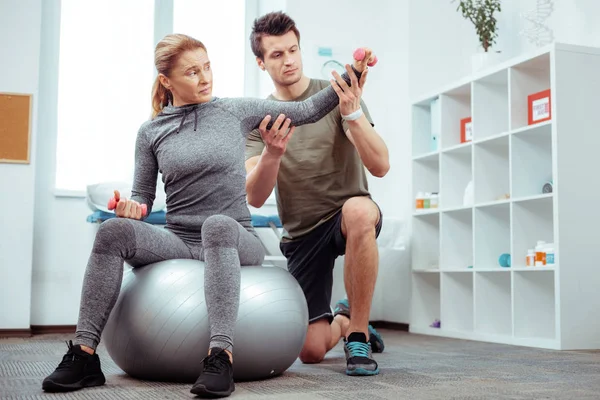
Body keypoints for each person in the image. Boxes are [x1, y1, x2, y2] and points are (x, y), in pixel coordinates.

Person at [41, 33, 374, 397]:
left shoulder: (234, 111)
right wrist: (130, 209)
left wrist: (353, 73)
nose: (205, 78)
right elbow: (142, 198)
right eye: (192, 72)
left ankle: (220, 357)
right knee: (112, 232)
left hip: (235, 236)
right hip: (180, 239)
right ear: (167, 81)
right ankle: (85, 356)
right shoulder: (151, 131)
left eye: (207, 67)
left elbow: (307, 110)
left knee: (217, 225)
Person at [245, 11, 390, 377]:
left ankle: (357, 333)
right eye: (277, 54)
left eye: (292, 50)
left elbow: (381, 166)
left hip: (345, 214)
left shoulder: (339, 96)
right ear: (261, 63)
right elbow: (255, 197)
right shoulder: (257, 120)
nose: (289, 59)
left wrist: (353, 114)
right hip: (303, 234)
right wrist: (272, 153)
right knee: (310, 351)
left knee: (359, 210)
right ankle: (344, 318)